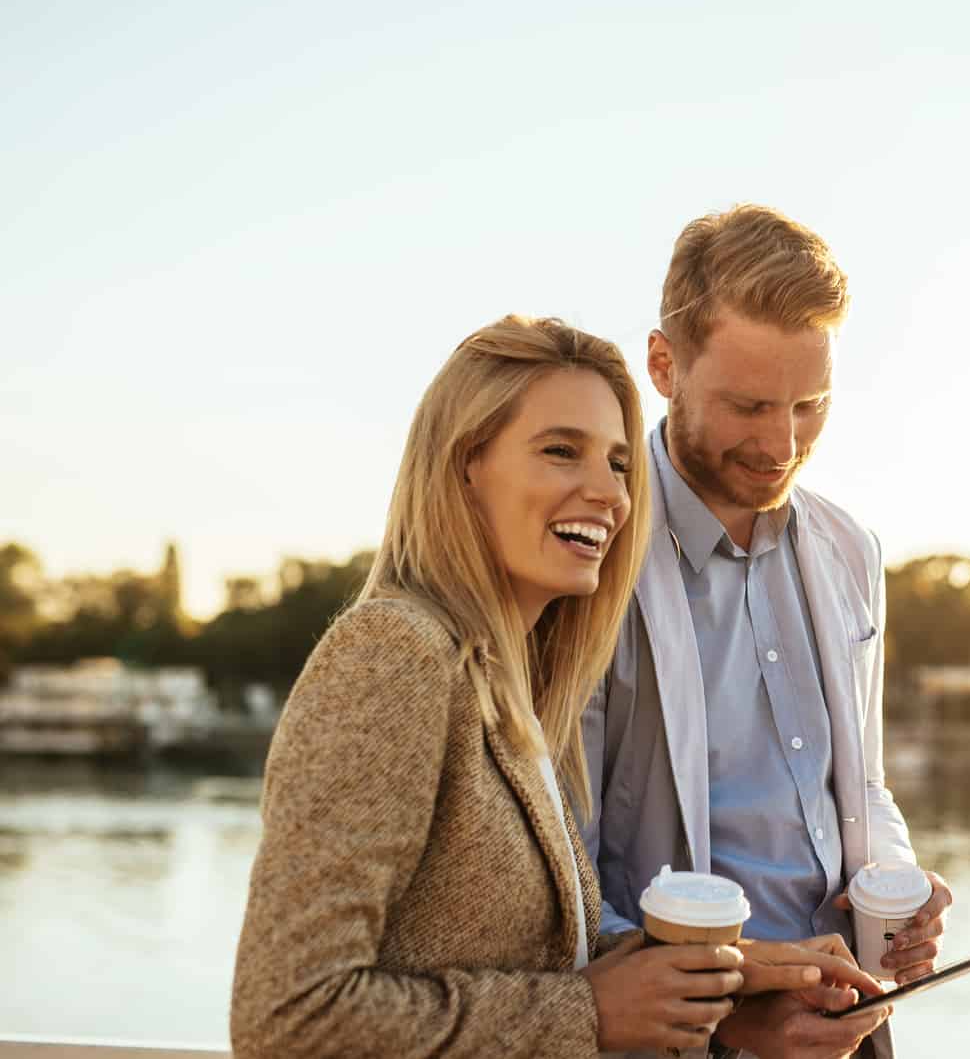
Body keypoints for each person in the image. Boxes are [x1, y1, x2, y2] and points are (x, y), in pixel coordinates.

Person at [231, 315, 874, 1059]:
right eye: (561, 451)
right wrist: (586, 1012)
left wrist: (728, 997)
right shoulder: (394, 653)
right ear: (465, 462)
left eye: (619, 464)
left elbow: (535, 967)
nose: (607, 493)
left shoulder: (513, 689)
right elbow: (285, 1018)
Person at [583, 207, 954, 1059]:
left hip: (852, 1030)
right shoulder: (590, 554)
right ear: (663, 366)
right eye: (750, 406)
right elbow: (563, 863)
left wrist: (895, 893)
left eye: (810, 405)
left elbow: (857, 787)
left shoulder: (850, 550)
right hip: (680, 1038)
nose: (782, 444)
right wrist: (733, 1009)